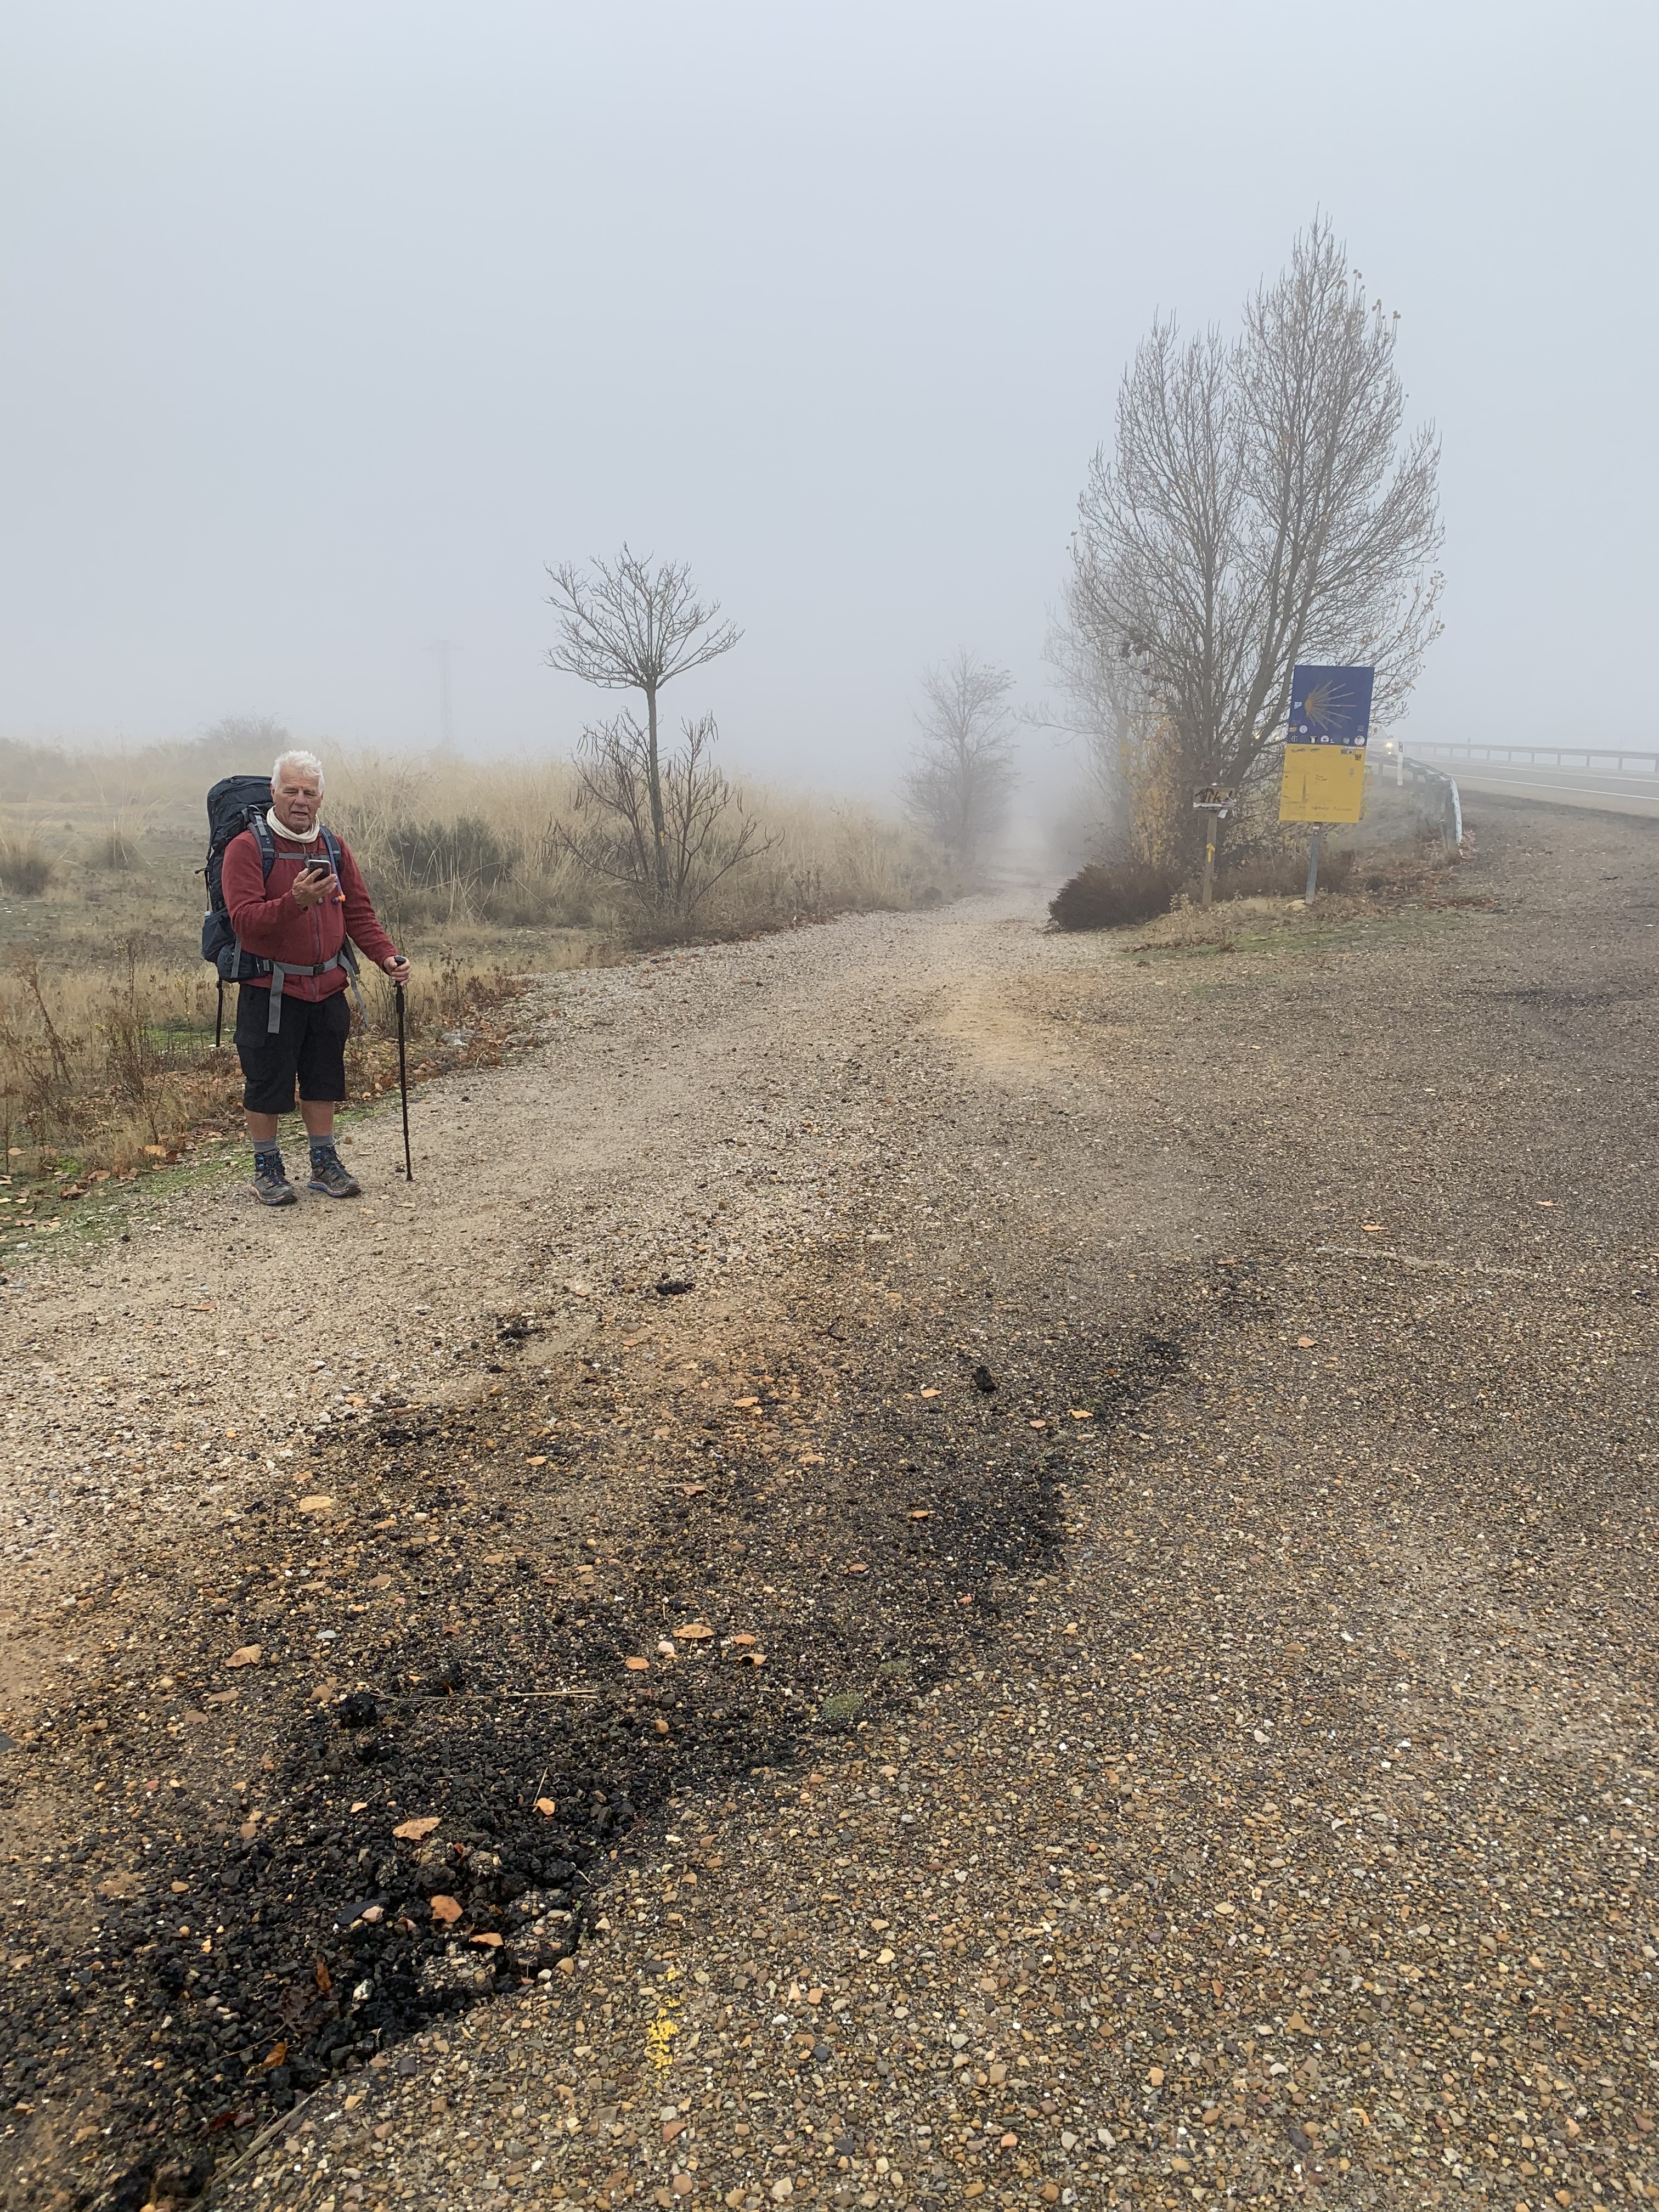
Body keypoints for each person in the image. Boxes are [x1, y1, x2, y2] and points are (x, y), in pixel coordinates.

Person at [222, 748, 410, 1206]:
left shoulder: (333, 846)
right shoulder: (246, 848)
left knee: (324, 1077)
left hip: (328, 986)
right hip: (270, 990)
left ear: (321, 797)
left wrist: (386, 957)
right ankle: (267, 1168)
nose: (300, 800)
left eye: (309, 792)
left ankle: (324, 1163)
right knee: (267, 1083)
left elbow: (359, 913)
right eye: (291, 791)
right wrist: (297, 900)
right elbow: (243, 921)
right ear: (274, 792)